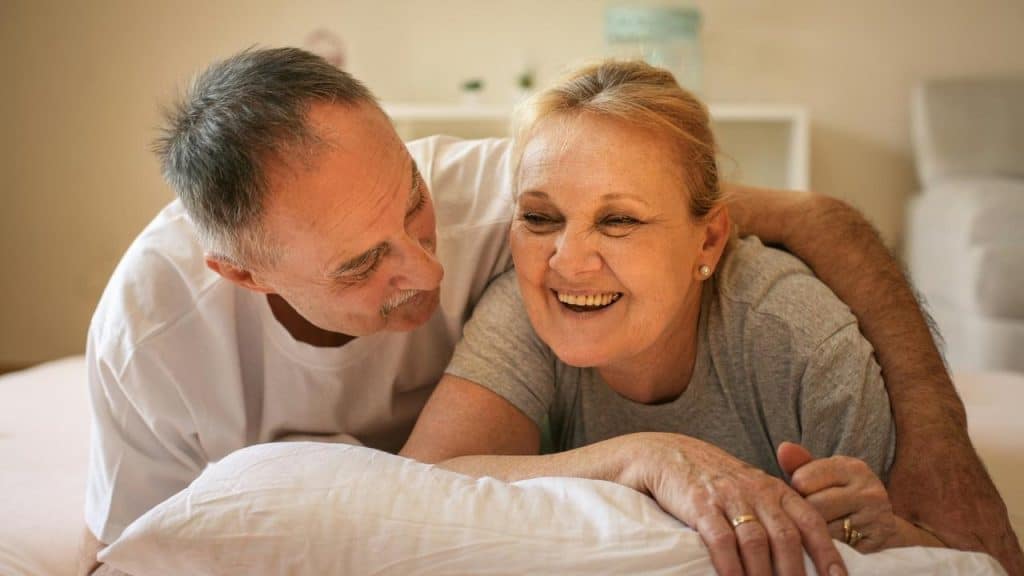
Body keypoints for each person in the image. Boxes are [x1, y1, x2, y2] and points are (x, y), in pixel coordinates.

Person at [78, 47, 1022, 576]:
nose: (423, 265)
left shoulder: (522, 190)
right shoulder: (150, 343)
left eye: (412, 203)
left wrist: (942, 459)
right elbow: (131, 552)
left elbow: (816, 218)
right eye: (363, 264)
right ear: (242, 277)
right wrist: (645, 455)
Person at [401, 59, 962, 576]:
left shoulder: (798, 337)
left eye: (619, 220)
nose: (567, 261)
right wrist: (638, 458)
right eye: (540, 217)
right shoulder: (525, 306)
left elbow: (933, 551)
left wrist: (888, 536)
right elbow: (420, 484)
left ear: (710, 241)